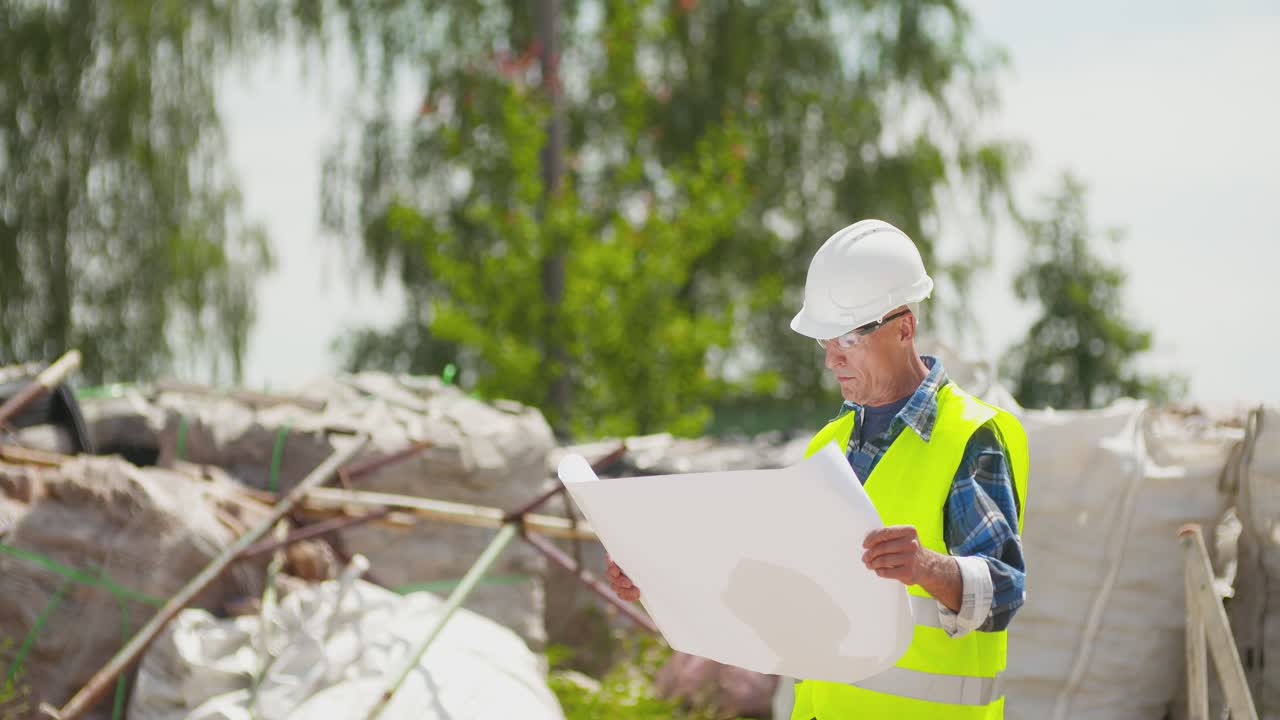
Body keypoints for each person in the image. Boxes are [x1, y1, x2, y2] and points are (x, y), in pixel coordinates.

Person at [605, 219, 1028, 719]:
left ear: (903, 327)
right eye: (824, 342)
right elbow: (779, 595)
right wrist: (659, 580)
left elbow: (1004, 589)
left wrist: (925, 566)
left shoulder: (967, 436)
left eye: (846, 340)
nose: (832, 361)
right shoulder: (827, 447)